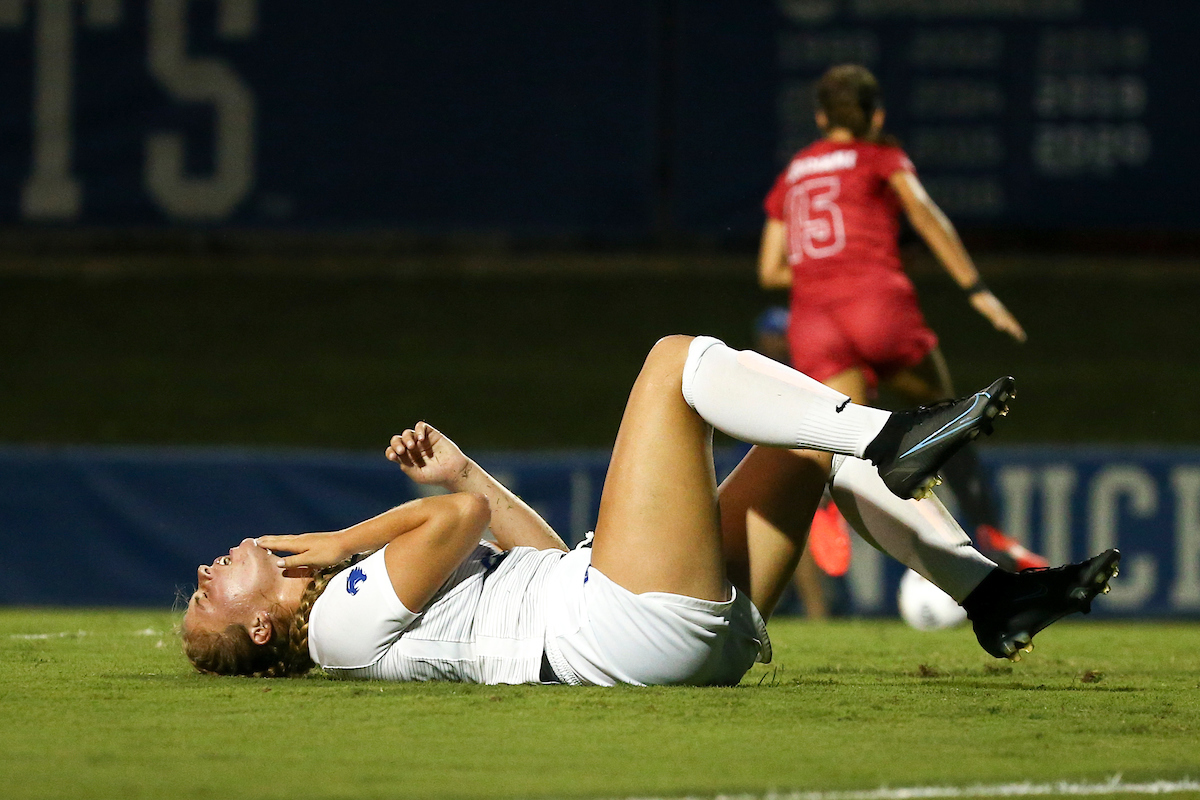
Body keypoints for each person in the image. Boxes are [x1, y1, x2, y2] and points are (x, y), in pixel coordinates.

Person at [181, 336, 1118, 684]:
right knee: (673, 363)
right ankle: (889, 435)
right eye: (207, 597)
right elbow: (452, 526)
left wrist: (468, 470)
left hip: (621, 619)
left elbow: (532, 556)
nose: (204, 573)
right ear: (265, 627)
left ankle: (990, 595)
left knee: (800, 437)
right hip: (620, 626)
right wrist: (351, 534)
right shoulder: (335, 620)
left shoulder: (348, 610)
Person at [758, 64, 1045, 572]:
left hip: (815, 319)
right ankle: (992, 532)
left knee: (840, 437)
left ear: (822, 116)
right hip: (876, 303)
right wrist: (976, 290)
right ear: (876, 115)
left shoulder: (793, 174)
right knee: (950, 420)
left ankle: (825, 507)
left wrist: (824, 266)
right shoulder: (880, 155)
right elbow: (925, 213)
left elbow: (770, 270)